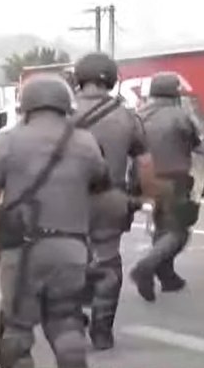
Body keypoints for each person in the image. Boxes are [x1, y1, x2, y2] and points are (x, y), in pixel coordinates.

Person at [0, 73, 109, 368]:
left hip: (24, 251)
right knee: (66, 321)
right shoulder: (85, 142)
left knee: (17, 329)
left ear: (26, 106)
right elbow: (101, 184)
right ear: (65, 104)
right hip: (72, 248)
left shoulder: (7, 141)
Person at [72, 52, 156, 350]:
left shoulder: (61, 113)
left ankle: (73, 319)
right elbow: (145, 163)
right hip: (112, 197)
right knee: (107, 261)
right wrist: (144, 198)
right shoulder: (126, 116)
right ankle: (102, 331)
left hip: (65, 202)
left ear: (78, 78)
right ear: (112, 78)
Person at [130, 72, 202, 302]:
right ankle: (147, 266)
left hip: (140, 181)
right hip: (173, 179)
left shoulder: (138, 116)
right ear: (176, 93)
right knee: (178, 232)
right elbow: (197, 143)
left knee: (162, 228)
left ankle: (168, 277)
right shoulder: (180, 115)